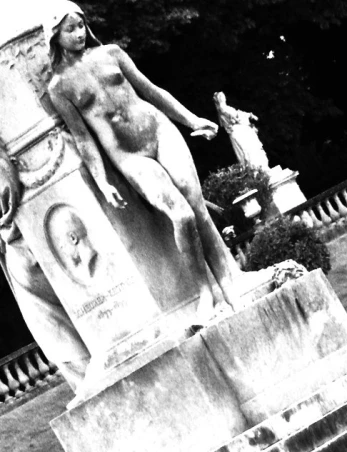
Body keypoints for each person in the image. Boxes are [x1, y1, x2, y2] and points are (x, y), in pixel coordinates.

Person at [46, 1, 239, 318]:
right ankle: (204, 293)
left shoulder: (111, 53)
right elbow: (83, 137)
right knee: (182, 216)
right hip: (128, 156)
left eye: (80, 25)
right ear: (55, 37)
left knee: (198, 208)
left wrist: (192, 120)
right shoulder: (60, 87)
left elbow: (151, 90)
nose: (78, 33)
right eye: (70, 29)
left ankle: (231, 286)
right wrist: (103, 181)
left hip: (160, 132)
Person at [0, 143, 90, 390]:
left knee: (57, 332)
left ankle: (89, 386)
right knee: (57, 332)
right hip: (30, 245)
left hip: (32, 245)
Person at [213, 91, 270, 169]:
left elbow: (237, 115)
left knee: (249, 149)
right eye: (222, 96)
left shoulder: (222, 108)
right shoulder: (223, 108)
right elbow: (237, 117)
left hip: (238, 130)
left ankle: (258, 167)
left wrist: (247, 115)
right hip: (238, 130)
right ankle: (257, 168)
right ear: (219, 99)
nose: (224, 97)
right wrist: (248, 116)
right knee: (249, 149)